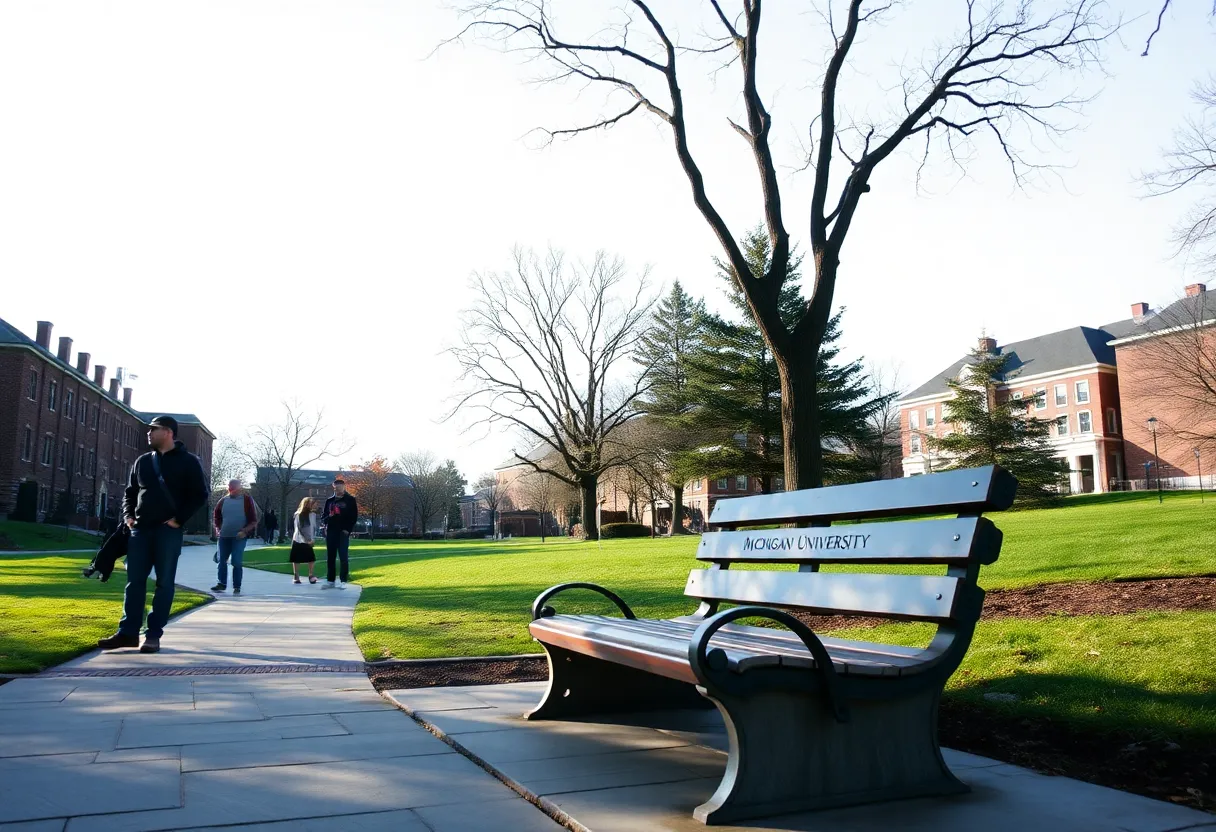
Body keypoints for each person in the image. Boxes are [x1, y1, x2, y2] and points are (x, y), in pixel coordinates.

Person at [97, 415, 208, 654]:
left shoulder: (189, 462)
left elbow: (200, 495)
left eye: (153, 429)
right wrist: (128, 516)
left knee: (164, 583)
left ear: (168, 432)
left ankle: (153, 635)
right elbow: (130, 493)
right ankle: (128, 633)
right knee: (134, 583)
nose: (148, 433)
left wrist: (178, 520)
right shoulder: (143, 461)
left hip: (167, 532)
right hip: (139, 531)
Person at [212, 479, 258, 595]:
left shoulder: (247, 501)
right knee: (222, 560)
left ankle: (237, 586)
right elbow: (216, 517)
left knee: (236, 561)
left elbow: (253, 520)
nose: (231, 489)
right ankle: (221, 583)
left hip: (239, 537)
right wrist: (218, 530)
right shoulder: (222, 501)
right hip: (224, 536)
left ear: (239, 488)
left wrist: (245, 531)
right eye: (230, 487)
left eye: (234, 487)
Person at [320, 477, 357, 589]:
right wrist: (329, 517)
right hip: (331, 531)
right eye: (336, 488)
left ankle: (343, 580)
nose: (338, 490)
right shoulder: (329, 501)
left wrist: (347, 530)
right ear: (333, 487)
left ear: (344, 487)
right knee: (330, 557)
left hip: (343, 532)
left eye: (340, 487)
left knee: (343, 557)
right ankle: (330, 580)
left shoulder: (350, 500)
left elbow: (353, 517)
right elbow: (323, 518)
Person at [290, 497, 319, 584]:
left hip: (309, 539)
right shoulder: (299, 514)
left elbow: (312, 528)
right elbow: (300, 529)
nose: (316, 505)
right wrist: (307, 540)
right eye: (314, 503)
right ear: (308, 504)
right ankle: (296, 575)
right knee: (296, 559)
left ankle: (310, 575)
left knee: (311, 558)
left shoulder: (313, 515)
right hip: (299, 539)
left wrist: (312, 539)